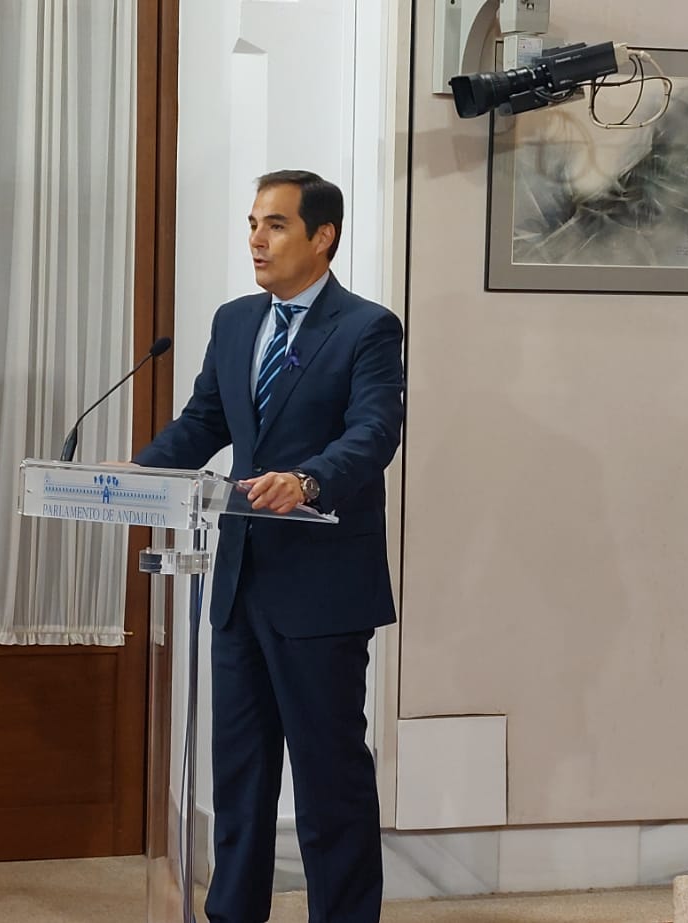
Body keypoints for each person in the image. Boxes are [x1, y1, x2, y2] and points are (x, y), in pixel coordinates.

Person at [133, 170, 404, 923]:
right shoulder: (235, 321)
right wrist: (133, 476)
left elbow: (374, 432)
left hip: (321, 588)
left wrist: (308, 481)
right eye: (253, 223)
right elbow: (204, 423)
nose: (256, 239)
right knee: (241, 776)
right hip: (237, 581)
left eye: (276, 225)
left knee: (328, 779)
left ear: (323, 237)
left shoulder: (367, 328)